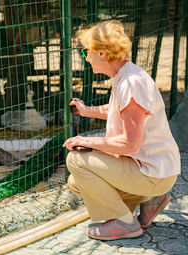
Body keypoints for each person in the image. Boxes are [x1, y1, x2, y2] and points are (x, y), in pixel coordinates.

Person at [63, 20, 180, 241]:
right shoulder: (128, 76)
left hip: (152, 173)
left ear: (102, 54)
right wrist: (87, 110)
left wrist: (87, 141)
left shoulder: (130, 83)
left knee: (76, 161)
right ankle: (149, 200)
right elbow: (121, 111)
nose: (85, 57)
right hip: (156, 170)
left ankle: (124, 223)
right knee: (76, 183)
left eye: (86, 51)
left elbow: (129, 144)